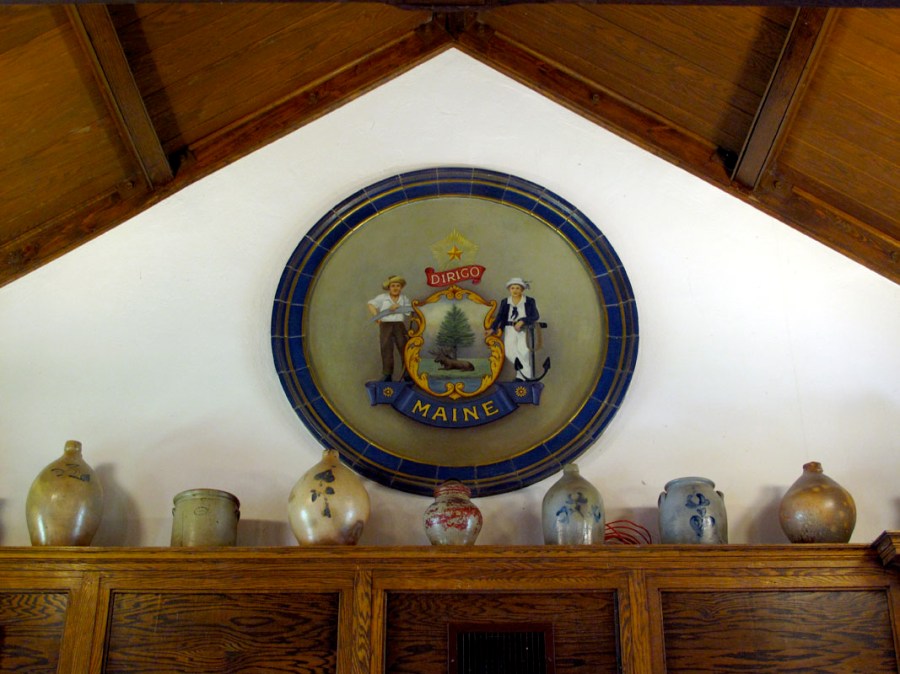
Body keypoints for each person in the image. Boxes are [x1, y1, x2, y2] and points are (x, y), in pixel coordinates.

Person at [486, 277, 540, 380]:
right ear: (509, 289)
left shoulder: (529, 301)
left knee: (523, 352)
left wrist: (523, 320)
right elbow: (500, 317)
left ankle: (522, 377)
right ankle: (526, 376)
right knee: (510, 353)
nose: (515, 290)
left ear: (522, 290)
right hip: (509, 329)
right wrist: (492, 329)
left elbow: (535, 316)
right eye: (512, 288)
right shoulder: (505, 302)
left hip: (524, 330)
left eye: (518, 288)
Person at [368, 275, 412, 382]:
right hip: (385, 325)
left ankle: (407, 374)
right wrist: (376, 317)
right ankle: (387, 375)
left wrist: (398, 308)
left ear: (401, 287)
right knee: (386, 349)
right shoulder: (382, 298)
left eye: (398, 286)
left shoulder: (404, 298)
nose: (395, 288)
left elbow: (409, 311)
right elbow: (370, 304)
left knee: (404, 349)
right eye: (393, 286)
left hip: (399, 325)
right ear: (389, 287)